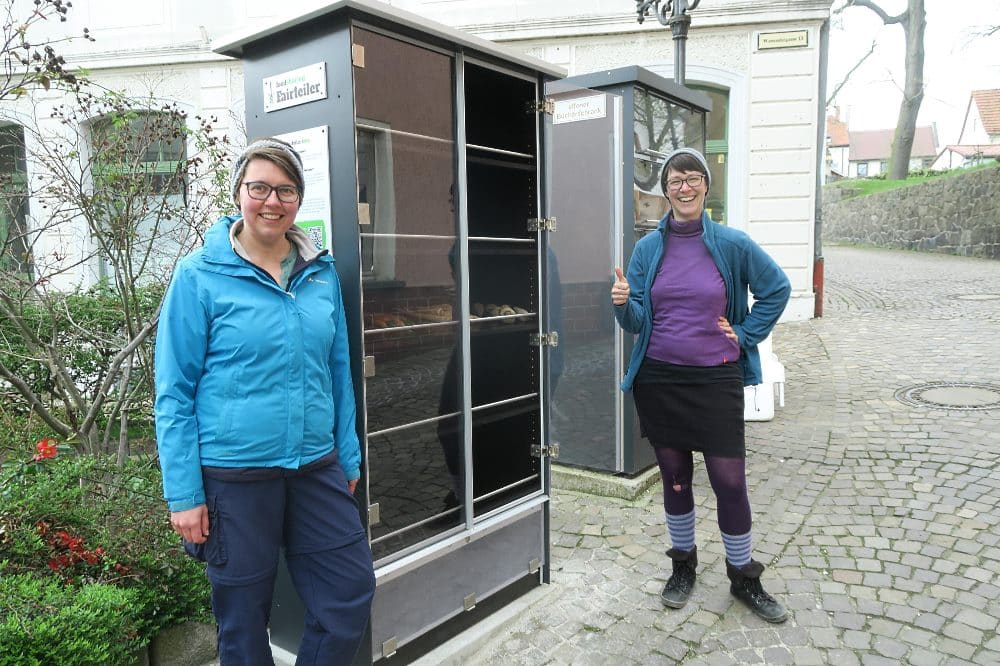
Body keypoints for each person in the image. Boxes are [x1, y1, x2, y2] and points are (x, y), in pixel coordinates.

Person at [154, 138, 376, 664]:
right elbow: (174, 391)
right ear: (238, 194)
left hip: (315, 467)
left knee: (348, 594)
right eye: (259, 187)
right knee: (244, 623)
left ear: (299, 200)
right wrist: (183, 493)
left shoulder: (321, 273)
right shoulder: (199, 275)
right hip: (235, 476)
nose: (271, 201)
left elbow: (337, 373)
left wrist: (346, 455)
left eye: (285, 190)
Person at [610, 147, 791, 623]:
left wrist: (747, 332)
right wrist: (622, 302)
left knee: (729, 480)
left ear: (706, 186)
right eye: (674, 181)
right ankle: (683, 564)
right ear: (666, 190)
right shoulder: (648, 248)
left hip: (716, 377)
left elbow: (777, 289)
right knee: (674, 477)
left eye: (692, 178)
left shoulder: (732, 243)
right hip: (660, 377)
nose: (683, 187)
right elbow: (636, 321)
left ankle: (743, 576)